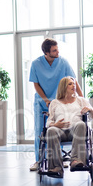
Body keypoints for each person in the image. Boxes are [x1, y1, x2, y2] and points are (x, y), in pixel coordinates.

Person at [29, 38, 82, 171]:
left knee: (59, 127)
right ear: (46, 53)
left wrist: (81, 99)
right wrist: (46, 99)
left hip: (59, 102)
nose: (58, 52)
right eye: (54, 50)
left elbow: (73, 81)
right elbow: (36, 84)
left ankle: (58, 158)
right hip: (42, 102)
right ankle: (38, 160)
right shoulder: (36, 64)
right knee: (39, 131)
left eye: (57, 49)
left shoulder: (63, 62)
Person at [45, 77, 93, 178]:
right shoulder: (54, 103)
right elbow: (49, 122)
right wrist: (55, 125)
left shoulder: (81, 101)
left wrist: (90, 110)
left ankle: (76, 161)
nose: (73, 86)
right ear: (63, 87)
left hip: (76, 130)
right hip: (59, 131)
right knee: (51, 130)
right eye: (70, 84)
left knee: (81, 124)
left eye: (74, 84)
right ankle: (56, 167)